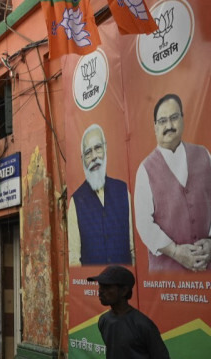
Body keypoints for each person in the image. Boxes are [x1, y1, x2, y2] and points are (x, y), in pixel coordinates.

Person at [134, 94, 211, 271]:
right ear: (155, 127)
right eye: (162, 121)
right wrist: (175, 252)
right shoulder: (145, 170)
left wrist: (210, 243)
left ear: (183, 119)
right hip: (167, 277)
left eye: (174, 118)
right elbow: (144, 224)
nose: (169, 126)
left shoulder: (204, 155)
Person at [68, 124, 134, 266]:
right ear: (83, 160)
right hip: (93, 286)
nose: (94, 157)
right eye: (88, 153)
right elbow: (74, 258)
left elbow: (133, 248)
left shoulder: (123, 191)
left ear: (105, 149)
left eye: (97, 148)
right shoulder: (76, 201)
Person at [87, 265, 170, 358]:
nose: (100, 291)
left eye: (107, 286)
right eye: (100, 286)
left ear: (124, 291)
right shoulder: (104, 321)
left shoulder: (143, 325)